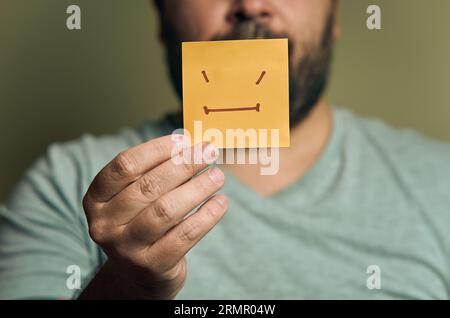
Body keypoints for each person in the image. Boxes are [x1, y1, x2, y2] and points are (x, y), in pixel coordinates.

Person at [1, 0, 450, 300]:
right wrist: (122, 288)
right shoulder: (65, 181)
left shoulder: (439, 184)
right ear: (162, 20)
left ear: (334, 18)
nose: (252, 5)